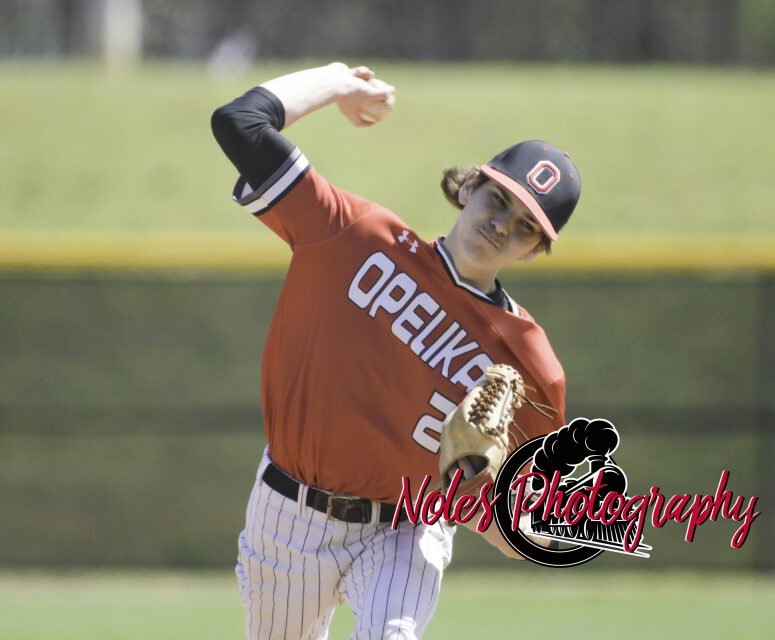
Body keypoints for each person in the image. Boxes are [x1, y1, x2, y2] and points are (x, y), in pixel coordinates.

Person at [211, 62, 581, 640]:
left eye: (526, 226)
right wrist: (337, 82)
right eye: (498, 199)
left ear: (535, 252)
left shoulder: (529, 362)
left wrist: (479, 483)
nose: (502, 224)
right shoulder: (357, 236)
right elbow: (238, 122)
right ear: (467, 188)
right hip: (289, 513)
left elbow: (534, 534)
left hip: (406, 530)